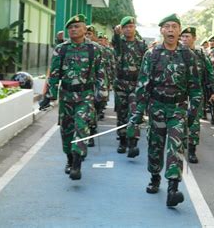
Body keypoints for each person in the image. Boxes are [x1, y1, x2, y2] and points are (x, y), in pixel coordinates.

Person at [126, 14, 201, 207]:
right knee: (155, 145)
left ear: (179, 31)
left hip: (178, 109)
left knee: (175, 147)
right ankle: (154, 176)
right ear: (161, 30)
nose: (170, 30)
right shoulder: (152, 54)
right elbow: (143, 86)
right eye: (167, 27)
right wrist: (137, 112)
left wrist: (193, 113)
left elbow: (195, 87)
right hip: (157, 108)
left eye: (174, 27)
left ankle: (173, 188)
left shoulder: (188, 55)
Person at [40, 14, 107, 180]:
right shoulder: (61, 49)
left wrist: (102, 93)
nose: (73, 30)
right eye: (70, 27)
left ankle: (77, 162)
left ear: (85, 30)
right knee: (66, 129)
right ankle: (69, 158)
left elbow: (100, 73)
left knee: (81, 125)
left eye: (77, 27)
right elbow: (54, 74)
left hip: (86, 95)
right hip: (66, 96)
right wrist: (49, 96)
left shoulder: (94, 49)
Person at [180, 27, 214, 163]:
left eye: (187, 36)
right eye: (182, 36)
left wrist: (213, 92)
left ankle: (192, 150)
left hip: (196, 92)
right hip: (179, 93)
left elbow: (209, 73)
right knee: (179, 120)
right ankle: (181, 142)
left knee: (194, 121)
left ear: (194, 38)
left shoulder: (201, 54)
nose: (184, 39)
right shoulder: (176, 52)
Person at [112, 16, 147, 154]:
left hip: (135, 85)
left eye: (131, 26)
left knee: (134, 112)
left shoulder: (141, 45)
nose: (128, 29)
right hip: (120, 84)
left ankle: (133, 142)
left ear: (135, 28)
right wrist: (116, 33)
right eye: (125, 27)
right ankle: (122, 141)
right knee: (121, 113)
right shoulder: (119, 43)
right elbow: (115, 41)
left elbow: (146, 65)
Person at [85, 25, 107, 146]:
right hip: (82, 87)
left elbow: (102, 69)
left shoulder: (97, 48)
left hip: (93, 85)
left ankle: (91, 132)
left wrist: (103, 87)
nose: (88, 36)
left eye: (90, 34)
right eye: (86, 33)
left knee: (92, 110)